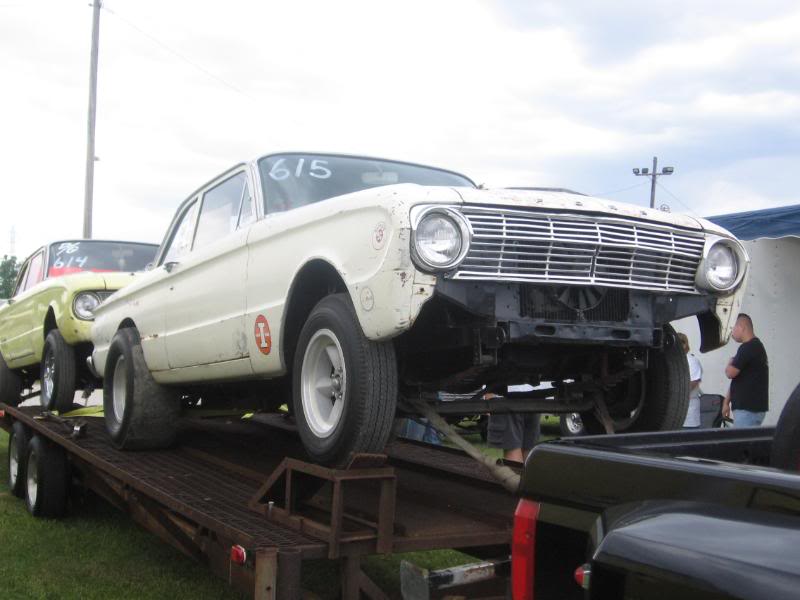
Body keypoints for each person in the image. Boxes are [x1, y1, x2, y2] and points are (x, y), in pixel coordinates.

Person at [723, 313, 769, 427]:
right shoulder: (755, 347)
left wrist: (729, 363)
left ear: (741, 327)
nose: (731, 333)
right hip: (751, 409)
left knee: (741, 444)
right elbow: (737, 379)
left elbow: (730, 373)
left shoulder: (748, 347)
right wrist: (726, 402)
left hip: (747, 410)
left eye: (732, 328)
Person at [487, 384, 540, 462]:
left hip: (507, 393)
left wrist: (489, 393)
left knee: (512, 448)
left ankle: (515, 474)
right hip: (536, 393)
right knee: (529, 448)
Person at [677, 333, 703, 428]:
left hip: (688, 417)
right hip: (673, 418)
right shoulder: (673, 363)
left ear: (685, 345)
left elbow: (690, 385)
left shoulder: (692, 361)